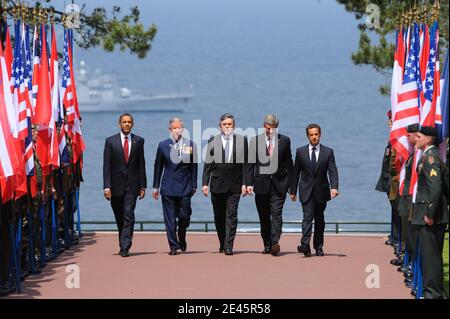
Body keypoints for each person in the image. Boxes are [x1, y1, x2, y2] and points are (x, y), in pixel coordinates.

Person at [202, 113, 249, 255]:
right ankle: (222, 242)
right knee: (219, 216)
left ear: (233, 126)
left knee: (231, 215)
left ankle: (229, 246)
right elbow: (208, 164)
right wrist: (205, 183)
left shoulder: (242, 140)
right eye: (225, 124)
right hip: (217, 185)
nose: (227, 127)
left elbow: (246, 164)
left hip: (235, 185)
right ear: (220, 127)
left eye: (229, 124)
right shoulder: (213, 140)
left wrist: (246, 183)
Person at [290, 123, 339, 257]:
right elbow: (296, 172)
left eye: (316, 134)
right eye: (311, 135)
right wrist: (293, 191)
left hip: (321, 191)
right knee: (307, 217)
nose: (314, 137)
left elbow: (332, 170)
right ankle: (304, 245)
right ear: (307, 136)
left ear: (320, 135)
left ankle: (318, 247)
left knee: (319, 219)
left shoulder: (328, 152)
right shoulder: (300, 152)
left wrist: (334, 187)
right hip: (306, 190)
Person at [411, 126, 448, 299]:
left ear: (428, 139)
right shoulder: (429, 156)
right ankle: (434, 292)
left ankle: (433, 294)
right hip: (429, 214)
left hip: (430, 217)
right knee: (430, 258)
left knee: (431, 259)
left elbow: (435, 188)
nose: (415, 139)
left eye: (418, 136)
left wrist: (430, 214)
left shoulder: (430, 158)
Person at [247, 114, 293, 255]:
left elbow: (289, 164)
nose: (270, 131)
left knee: (277, 214)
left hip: (279, 184)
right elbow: (249, 164)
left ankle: (275, 242)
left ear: (276, 127)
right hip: (261, 185)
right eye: (268, 128)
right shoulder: (255, 141)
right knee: (264, 216)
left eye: (273, 128)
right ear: (263, 126)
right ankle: (267, 244)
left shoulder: (284, 141)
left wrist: (291, 186)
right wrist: (248, 183)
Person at [103, 113, 147, 257]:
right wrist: (106, 187)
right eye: (124, 122)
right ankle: (123, 239)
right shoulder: (110, 141)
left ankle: (125, 246)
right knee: (119, 216)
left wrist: (143, 186)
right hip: (115, 186)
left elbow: (142, 164)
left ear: (132, 124)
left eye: (129, 122)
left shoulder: (139, 141)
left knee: (129, 214)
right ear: (119, 124)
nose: (127, 124)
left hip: (132, 186)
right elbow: (107, 166)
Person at [153, 118, 198, 255]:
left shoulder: (191, 145)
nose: (177, 130)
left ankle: (182, 234)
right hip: (168, 187)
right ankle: (173, 246)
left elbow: (194, 167)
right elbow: (158, 167)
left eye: (179, 128)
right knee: (170, 219)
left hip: (185, 188)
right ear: (170, 130)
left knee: (184, 217)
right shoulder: (162, 145)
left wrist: (194, 185)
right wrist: (155, 187)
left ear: (183, 129)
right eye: (174, 128)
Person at [375, 111, 402, 262]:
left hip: (394, 181)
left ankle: (399, 243)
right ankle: (396, 239)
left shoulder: (397, 140)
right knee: (395, 212)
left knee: (399, 213)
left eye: (391, 120)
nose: (389, 122)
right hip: (389, 180)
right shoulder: (392, 139)